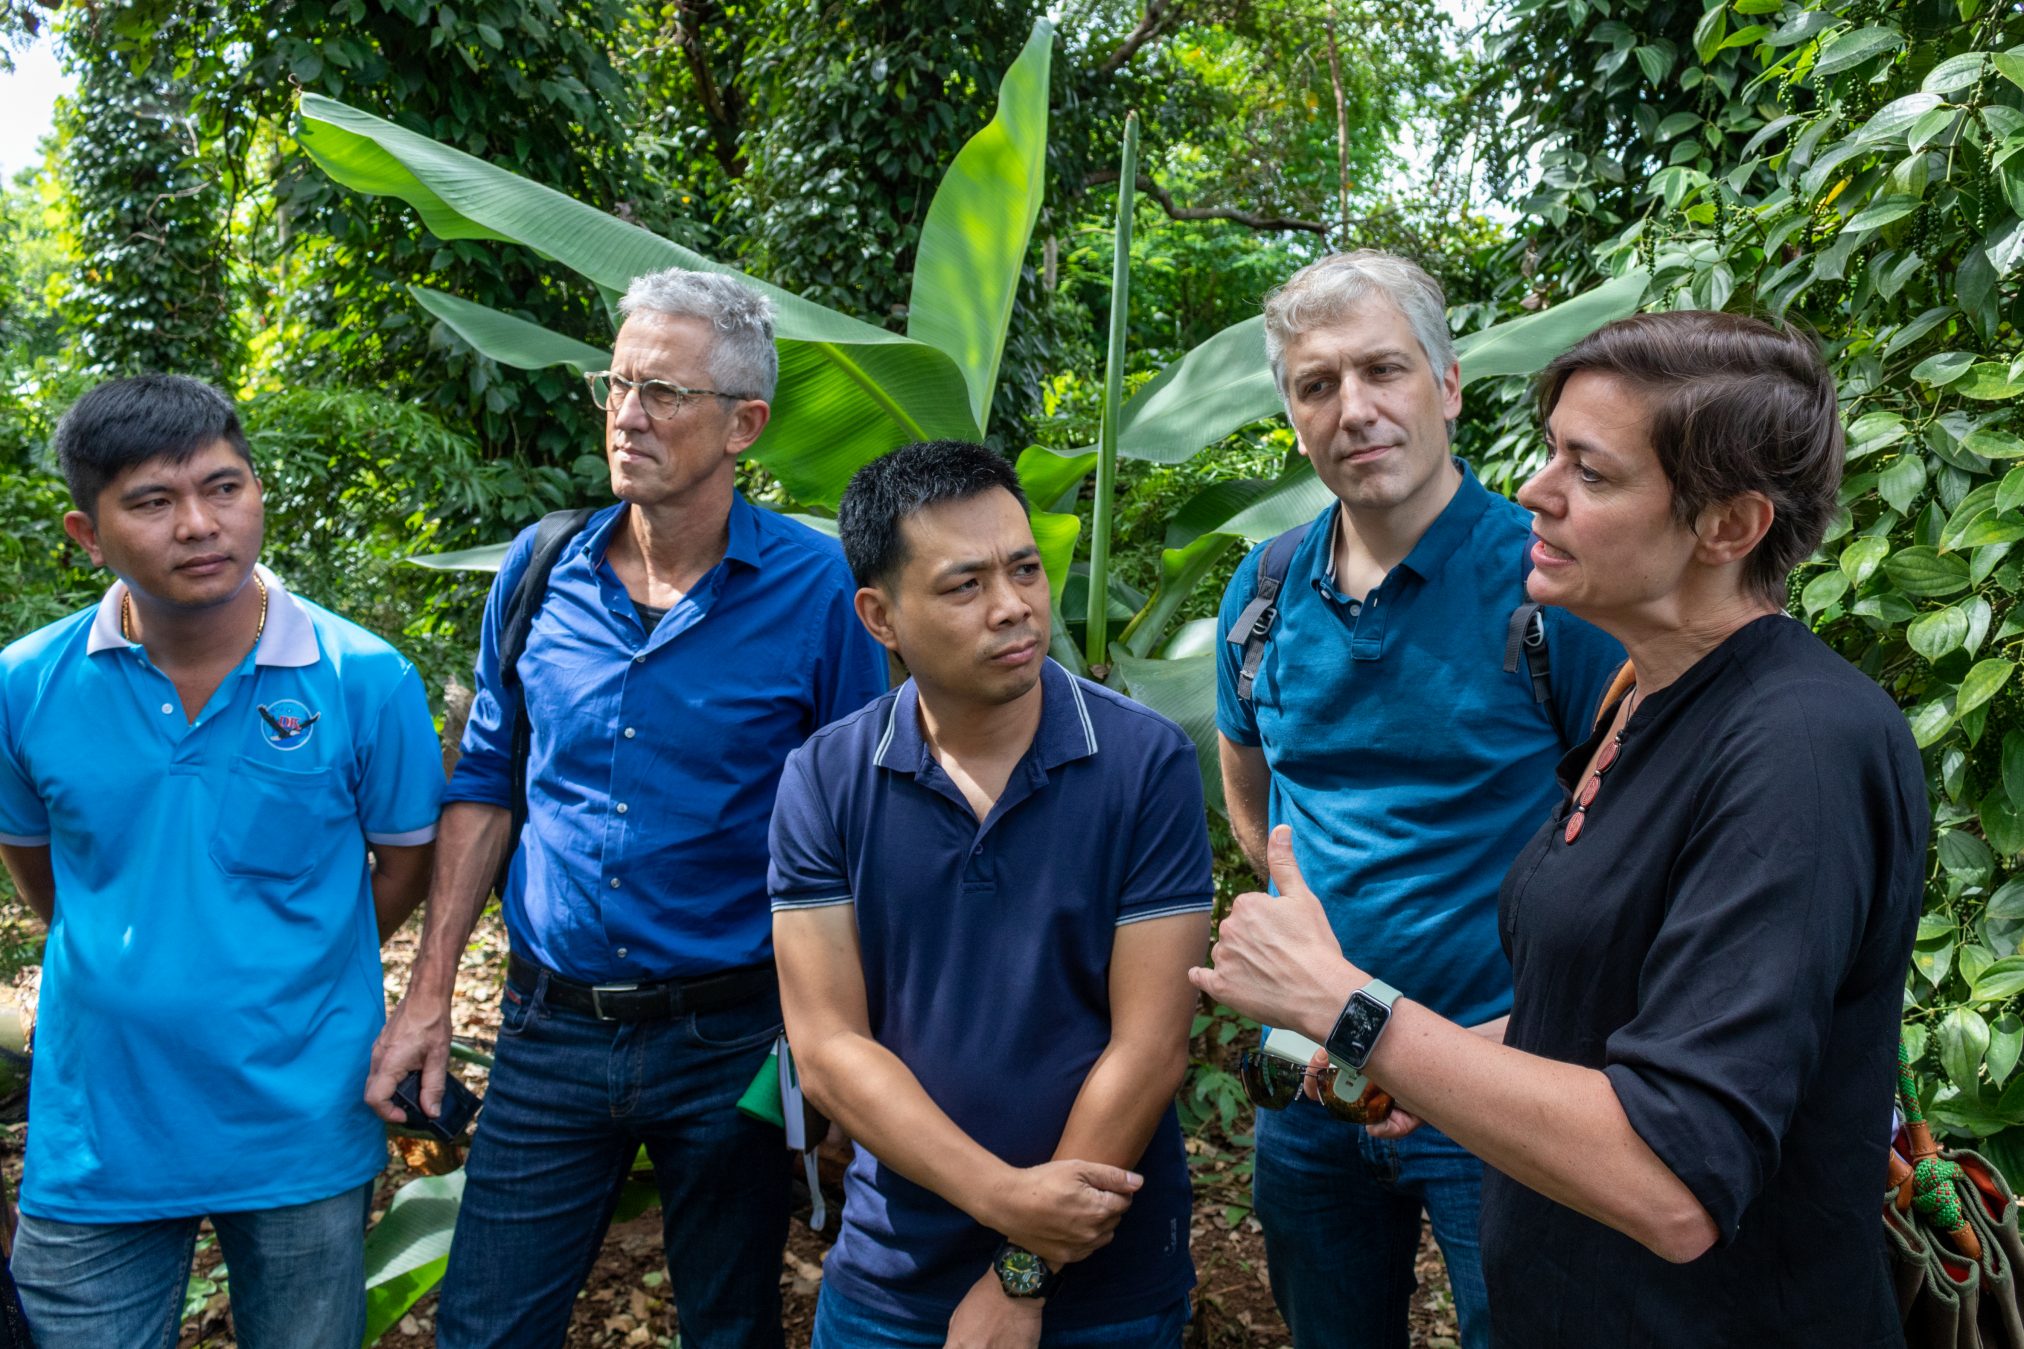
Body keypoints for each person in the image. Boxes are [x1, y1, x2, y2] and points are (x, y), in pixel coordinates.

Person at [1196, 310, 1927, 1344]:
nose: (1535, 490)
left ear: (1727, 526)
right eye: (1550, 454)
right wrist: (1438, 1057)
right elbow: (1613, 1008)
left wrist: (1348, 1007)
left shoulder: (1799, 748)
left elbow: (1673, 1178)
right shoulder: (1644, 691)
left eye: (1588, 472)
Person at [364, 266, 887, 1348]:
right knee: (486, 1324)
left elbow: (862, 826)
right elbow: (487, 781)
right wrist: (425, 996)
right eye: (616, 384)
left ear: (745, 423)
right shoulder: (541, 564)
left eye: (662, 391)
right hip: (547, 1027)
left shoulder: (823, 587)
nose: (627, 413)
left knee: (730, 1322)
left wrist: (843, 1045)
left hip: (736, 1032)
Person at [1213, 250, 1623, 1348]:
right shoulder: (1260, 591)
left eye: (1383, 370)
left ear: (1444, 384)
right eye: (1316, 384)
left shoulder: (1552, 587)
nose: (1354, 409)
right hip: (1312, 1086)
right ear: (1291, 413)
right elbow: (1246, 772)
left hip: (1498, 1072)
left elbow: (1629, 836)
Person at [0, 374, 443, 1348]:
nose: (199, 523)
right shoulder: (24, 685)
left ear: (256, 492)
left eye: (223, 486)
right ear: (87, 532)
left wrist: (291, 965)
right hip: (96, 1128)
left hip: (301, 1119)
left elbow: (405, 864)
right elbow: (45, 870)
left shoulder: (362, 677)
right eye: (153, 501)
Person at [770, 440, 1212, 1347]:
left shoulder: (1142, 762)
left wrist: (1023, 1271)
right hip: (891, 1276)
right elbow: (829, 1047)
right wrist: (1007, 1200)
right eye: (965, 585)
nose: (1013, 607)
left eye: (1024, 570)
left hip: (1107, 1285)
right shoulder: (826, 778)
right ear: (879, 615)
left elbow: (1151, 1043)